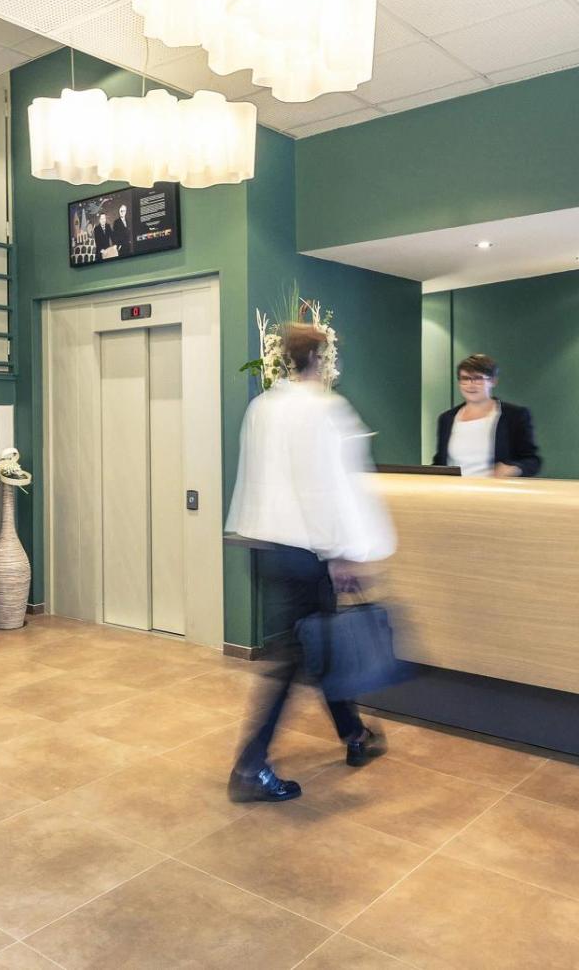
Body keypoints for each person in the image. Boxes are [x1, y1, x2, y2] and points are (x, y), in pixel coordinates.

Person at [224, 322, 397, 803]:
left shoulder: (263, 408)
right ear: (320, 358)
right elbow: (333, 487)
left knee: (320, 646)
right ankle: (251, 765)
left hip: (270, 549)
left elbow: (256, 481)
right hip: (309, 553)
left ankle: (354, 735)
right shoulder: (325, 409)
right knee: (296, 658)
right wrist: (346, 551)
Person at [432, 353, 541, 477]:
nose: (471, 385)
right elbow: (440, 462)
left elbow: (532, 460)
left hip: (495, 488)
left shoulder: (515, 416)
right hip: (452, 488)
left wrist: (514, 469)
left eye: (478, 378)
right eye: (465, 379)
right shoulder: (446, 419)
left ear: (493, 381)